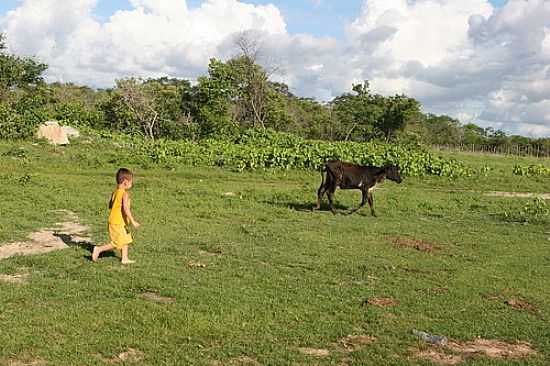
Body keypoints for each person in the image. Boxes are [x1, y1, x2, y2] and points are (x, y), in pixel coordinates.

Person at [92, 168, 140, 264]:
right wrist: (133, 221)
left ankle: (124, 258)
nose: (132, 184)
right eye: (131, 182)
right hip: (117, 222)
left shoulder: (115, 192)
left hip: (118, 222)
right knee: (117, 242)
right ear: (125, 182)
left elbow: (110, 205)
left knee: (126, 239)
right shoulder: (125, 194)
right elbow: (126, 209)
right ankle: (98, 249)